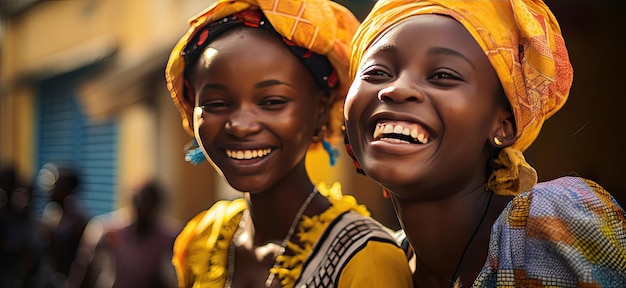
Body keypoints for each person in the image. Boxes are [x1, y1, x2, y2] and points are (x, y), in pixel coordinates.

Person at [342, 0, 626, 287]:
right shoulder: (369, 263)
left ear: (505, 126)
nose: (397, 88)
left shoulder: (547, 224)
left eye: (442, 76)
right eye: (376, 72)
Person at [164, 0, 413, 287]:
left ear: (321, 110)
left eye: (272, 102)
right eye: (217, 104)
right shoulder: (203, 238)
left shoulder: (366, 256)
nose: (241, 125)